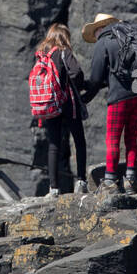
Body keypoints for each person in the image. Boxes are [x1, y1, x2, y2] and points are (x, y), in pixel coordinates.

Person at [81, 13, 137, 193]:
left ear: (98, 29)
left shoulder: (104, 41)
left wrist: (83, 99)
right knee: (131, 138)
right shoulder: (131, 37)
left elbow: (96, 79)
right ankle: (130, 179)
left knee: (113, 140)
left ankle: (110, 181)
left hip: (120, 97)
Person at [36, 23, 89, 195]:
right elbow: (77, 74)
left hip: (50, 103)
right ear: (64, 36)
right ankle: (81, 181)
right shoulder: (64, 51)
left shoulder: (42, 55)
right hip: (67, 103)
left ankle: (53, 188)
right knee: (79, 141)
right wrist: (78, 86)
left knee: (54, 144)